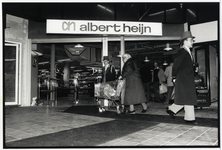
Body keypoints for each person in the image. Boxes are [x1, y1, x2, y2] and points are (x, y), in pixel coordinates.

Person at [166, 31, 198, 125]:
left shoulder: (187, 51)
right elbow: (176, 65)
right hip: (183, 79)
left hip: (187, 78)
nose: (192, 42)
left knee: (186, 97)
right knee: (188, 97)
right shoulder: (182, 51)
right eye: (191, 40)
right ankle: (189, 118)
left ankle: (172, 110)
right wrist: (174, 77)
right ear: (185, 41)